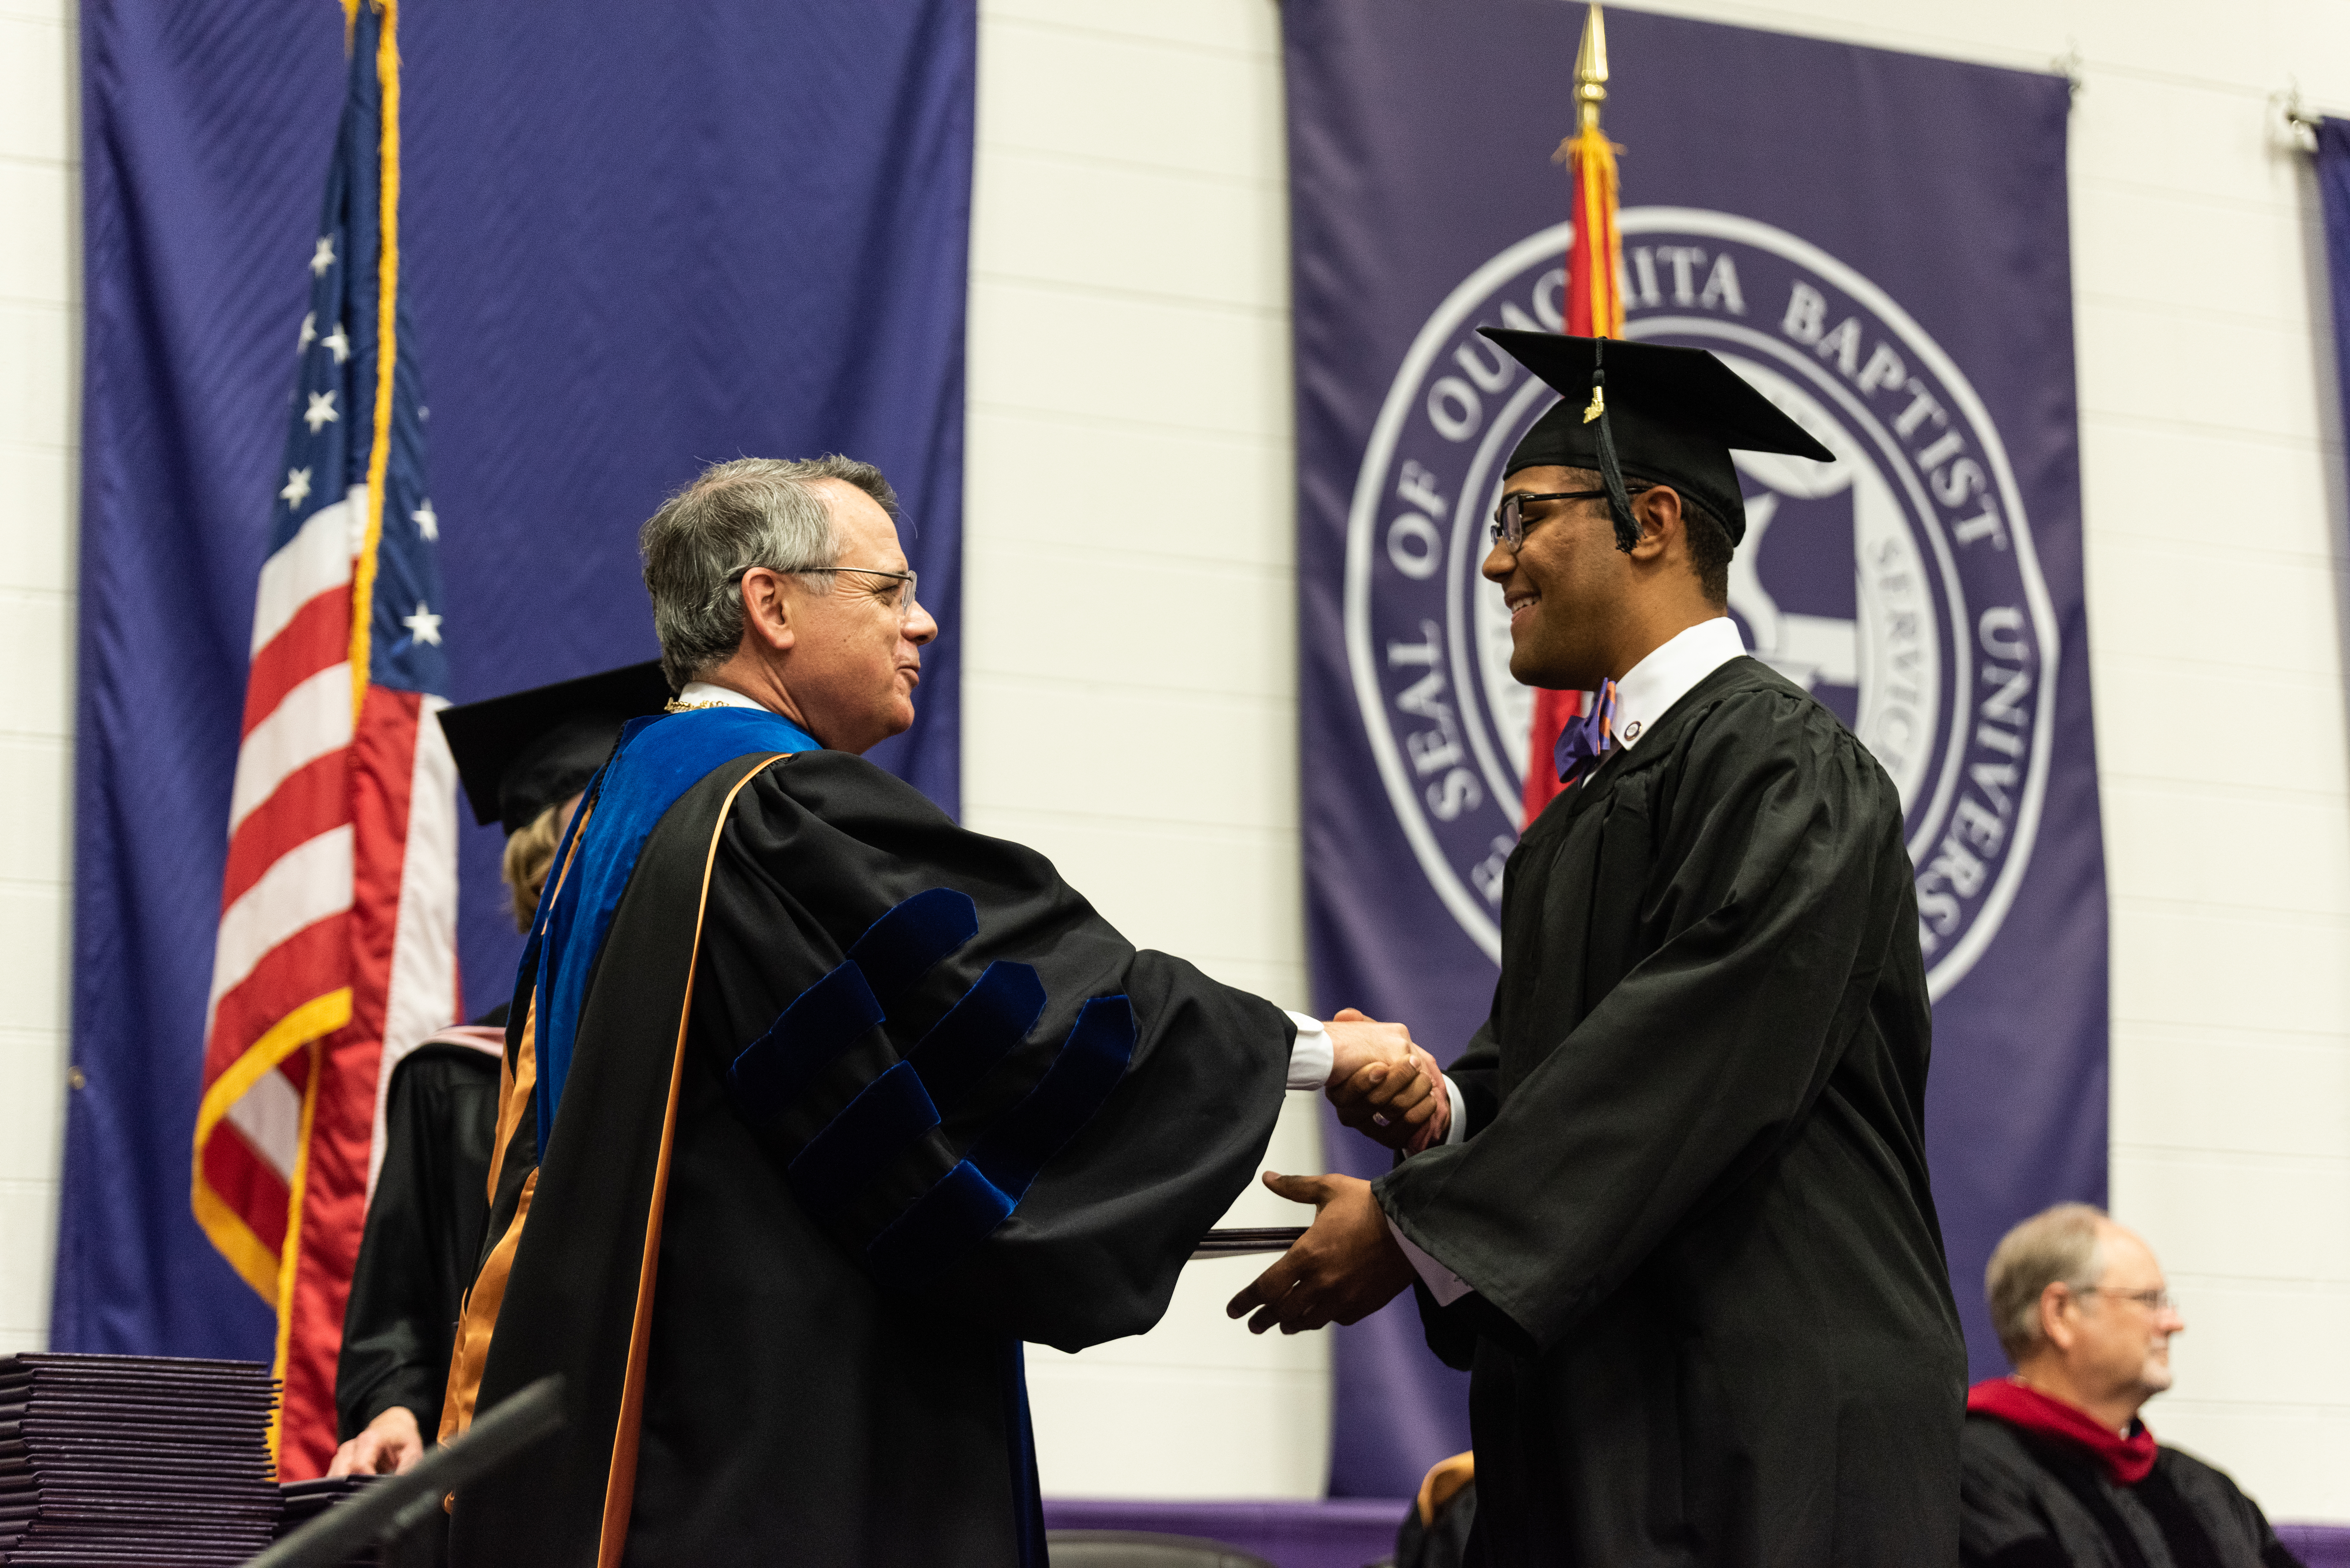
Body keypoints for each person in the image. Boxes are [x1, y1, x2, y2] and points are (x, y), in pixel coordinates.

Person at [437, 456, 1437, 1568]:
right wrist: (1322, 1053)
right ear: (770, 605)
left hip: (655, 1421)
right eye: (886, 592)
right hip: (788, 1438)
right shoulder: (774, 809)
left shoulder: (625, 805)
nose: (922, 622)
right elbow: (1024, 1010)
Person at [1225, 331, 1969, 1565]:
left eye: (1525, 515)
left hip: (1764, 1408)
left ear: (1653, 520)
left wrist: (1419, 1228)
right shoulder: (1576, 820)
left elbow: (1695, 1052)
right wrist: (1448, 1114)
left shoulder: (1786, 766)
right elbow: (1554, 1075)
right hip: (1622, 1391)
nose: (1492, 556)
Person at [330, 661, 673, 1479]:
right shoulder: (452, 1078)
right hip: (496, 1470)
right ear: (539, 868)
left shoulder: (698, 1052)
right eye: (595, 838)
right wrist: (394, 1406)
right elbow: (397, 1310)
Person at [1962, 1204, 2303, 1568]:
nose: (2175, 1323)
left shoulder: (2205, 1489)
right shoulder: (1972, 1474)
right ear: (2060, 1313)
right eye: (2149, 1300)